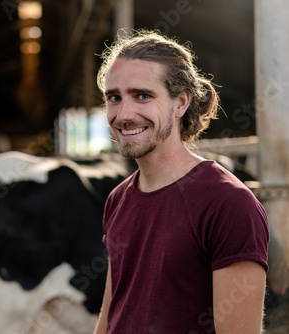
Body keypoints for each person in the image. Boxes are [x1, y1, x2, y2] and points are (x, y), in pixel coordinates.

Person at [93, 30, 269, 334]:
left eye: (143, 96)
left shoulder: (229, 204)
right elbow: (112, 314)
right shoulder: (118, 199)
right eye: (114, 98)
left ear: (181, 103)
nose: (123, 114)